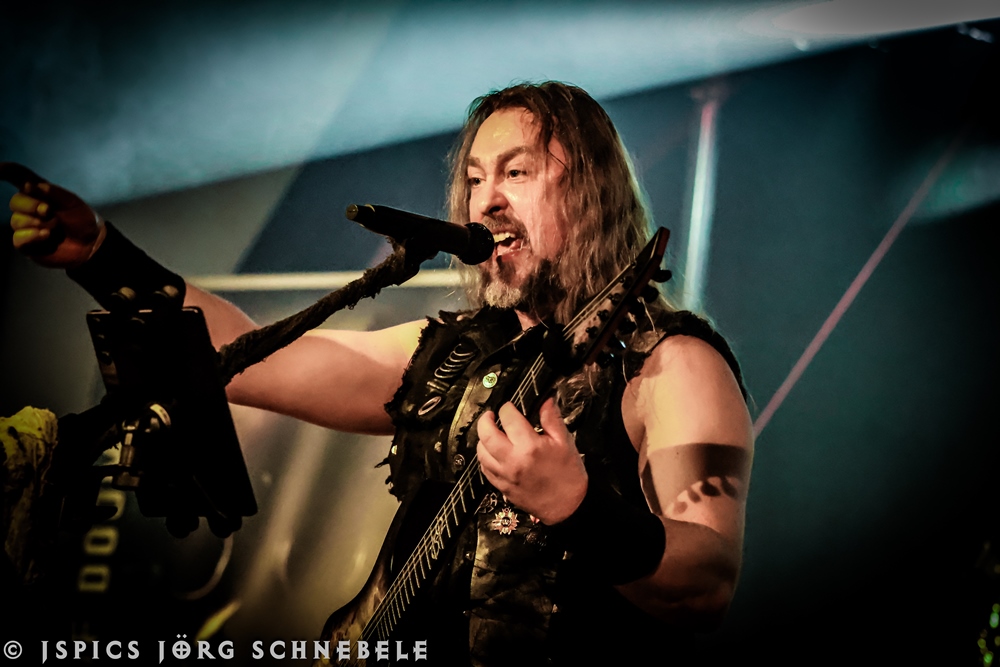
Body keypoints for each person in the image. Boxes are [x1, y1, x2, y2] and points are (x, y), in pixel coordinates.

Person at [7, 82, 753, 665]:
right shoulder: (453, 354)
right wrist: (100, 255)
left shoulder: (672, 363)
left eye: (517, 172)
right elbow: (247, 357)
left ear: (591, 190)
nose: (486, 199)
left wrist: (577, 507)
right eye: (474, 178)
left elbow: (708, 585)